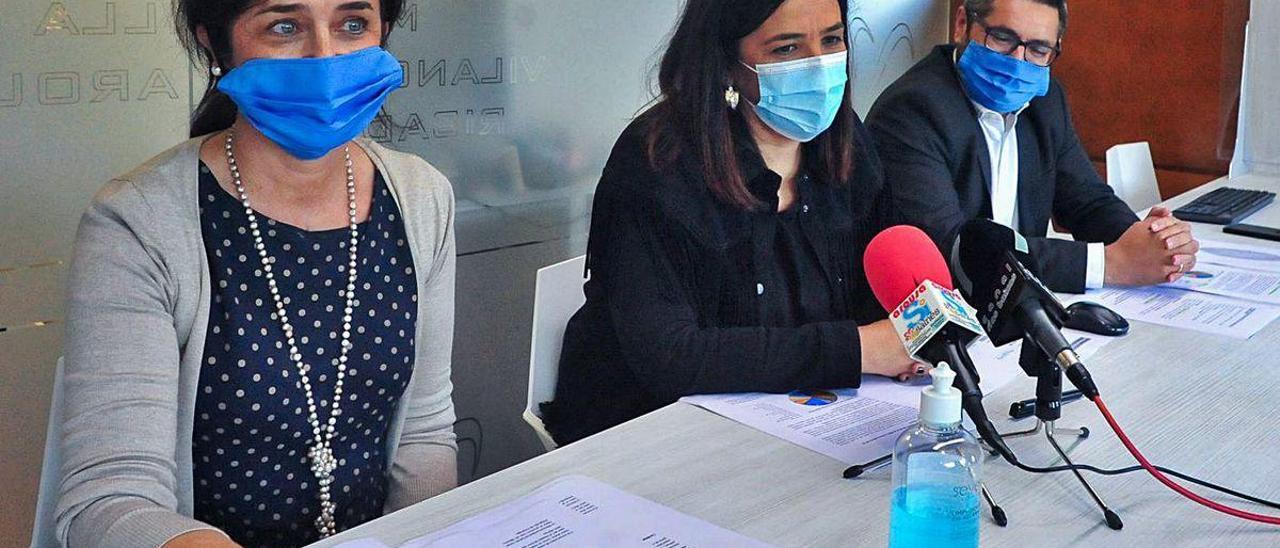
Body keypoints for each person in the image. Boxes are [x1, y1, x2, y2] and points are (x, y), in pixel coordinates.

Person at [54, 1, 458, 546]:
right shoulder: (138, 222)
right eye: (284, 27)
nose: (325, 54)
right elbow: (109, 498)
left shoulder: (421, 196)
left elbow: (424, 434)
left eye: (352, 24)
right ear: (214, 44)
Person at [542, 0, 921, 446]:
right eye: (786, 49)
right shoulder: (656, 161)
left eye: (832, 40)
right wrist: (858, 350)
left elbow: (887, 279)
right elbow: (671, 357)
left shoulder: (844, 140)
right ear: (725, 61)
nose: (818, 67)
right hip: (645, 433)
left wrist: (916, 335)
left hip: (799, 423)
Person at [866, 0, 1199, 293]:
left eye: (1038, 50)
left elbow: (1088, 202)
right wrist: (1109, 264)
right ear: (962, 24)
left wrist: (1151, 242)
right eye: (1003, 38)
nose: (1018, 61)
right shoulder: (911, 111)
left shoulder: (1045, 101)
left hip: (1019, 307)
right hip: (941, 322)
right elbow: (952, 248)